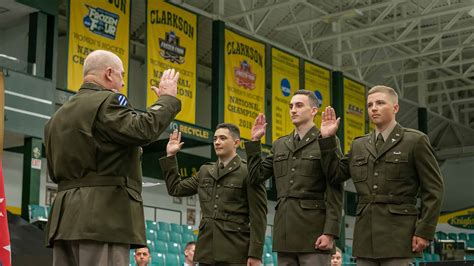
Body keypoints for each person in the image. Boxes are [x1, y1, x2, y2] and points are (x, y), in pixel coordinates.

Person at [44, 49, 181, 265]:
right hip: (102, 219)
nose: (123, 83)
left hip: (64, 221)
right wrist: (167, 100)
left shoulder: (56, 118)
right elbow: (143, 130)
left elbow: (53, 172)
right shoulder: (108, 101)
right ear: (109, 73)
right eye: (122, 75)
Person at [319, 85, 444, 266]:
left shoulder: (415, 141)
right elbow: (334, 174)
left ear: (395, 108)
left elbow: (434, 189)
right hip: (365, 236)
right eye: (370, 105)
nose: (373, 108)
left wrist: (424, 230)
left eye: (380, 103)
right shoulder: (359, 145)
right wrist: (328, 139)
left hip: (399, 234)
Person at [245, 90, 343, 265]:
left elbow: (335, 188)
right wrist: (254, 142)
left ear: (314, 111)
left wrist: (330, 232)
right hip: (285, 234)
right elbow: (256, 176)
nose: (293, 110)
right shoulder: (280, 144)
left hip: (314, 234)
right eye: (291, 106)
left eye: (299, 105)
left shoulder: (326, 140)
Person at [160, 124, 267, 265]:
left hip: (235, 252)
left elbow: (258, 216)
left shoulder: (247, 172)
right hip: (206, 253)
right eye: (215, 138)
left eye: (223, 138)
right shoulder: (205, 171)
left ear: (236, 143)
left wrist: (255, 254)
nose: (217, 142)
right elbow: (176, 189)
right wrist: (171, 156)